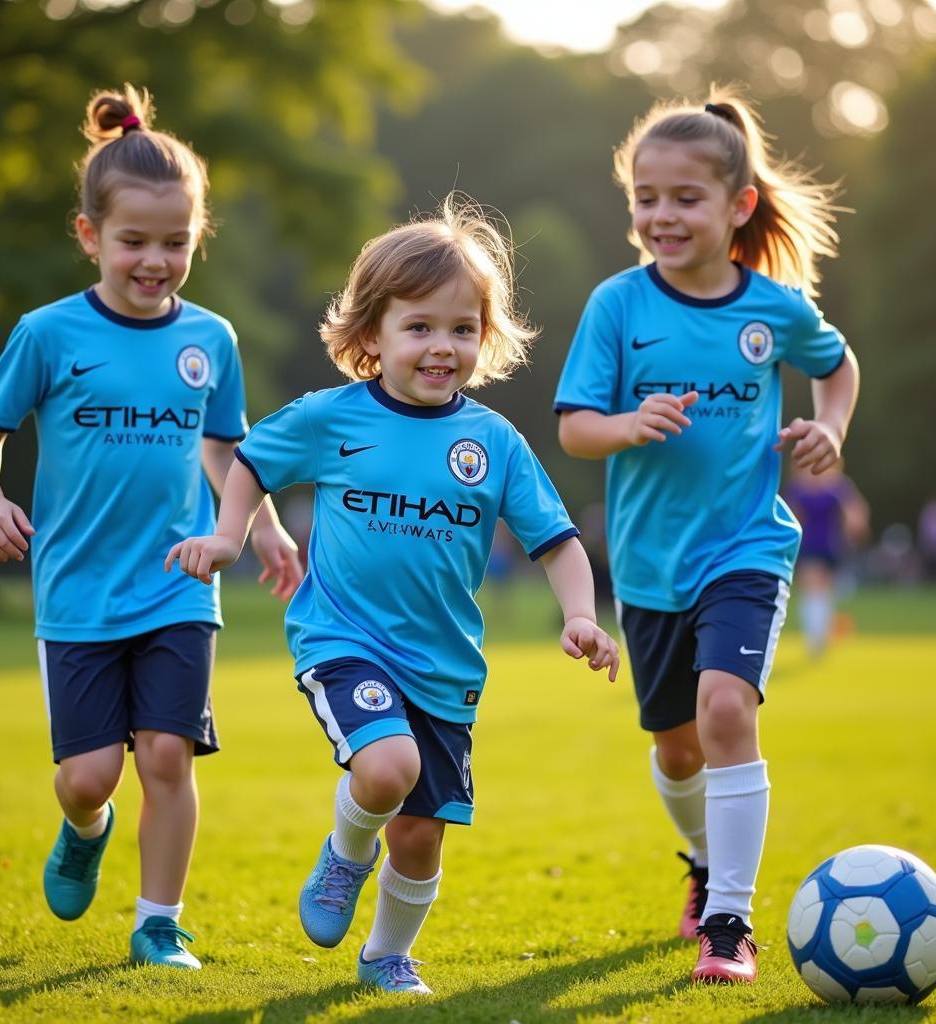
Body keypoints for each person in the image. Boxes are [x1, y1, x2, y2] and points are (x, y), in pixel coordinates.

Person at [166, 195, 620, 994]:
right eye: (419, 327)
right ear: (372, 335)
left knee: (419, 838)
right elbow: (249, 462)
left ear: (486, 335)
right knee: (386, 768)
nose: (442, 346)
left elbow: (557, 542)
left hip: (445, 669)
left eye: (462, 328)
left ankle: (386, 956)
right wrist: (233, 535)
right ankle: (344, 854)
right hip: (343, 640)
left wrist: (580, 615)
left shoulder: (494, 443)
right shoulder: (330, 419)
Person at [0, 85, 302, 970]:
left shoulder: (213, 340)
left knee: (165, 756)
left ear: (198, 237)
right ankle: (85, 828)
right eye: (135, 242)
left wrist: (257, 528)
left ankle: (159, 921)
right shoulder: (48, 333)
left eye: (176, 243)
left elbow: (228, 451)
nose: (156, 261)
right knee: (89, 777)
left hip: (179, 582)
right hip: (75, 587)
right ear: (90, 236)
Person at [554, 89, 859, 984]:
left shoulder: (773, 310)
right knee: (677, 745)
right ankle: (700, 864)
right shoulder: (618, 306)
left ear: (738, 207)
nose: (660, 215)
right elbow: (574, 427)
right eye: (645, 197)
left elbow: (835, 368)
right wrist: (628, 422)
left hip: (745, 548)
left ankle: (730, 921)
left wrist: (828, 427)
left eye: (684, 197)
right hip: (649, 568)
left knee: (729, 711)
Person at [781, 461, 870, 656]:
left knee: (823, 591)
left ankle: (819, 636)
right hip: (808, 546)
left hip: (831, 547)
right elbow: (790, 515)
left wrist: (853, 532)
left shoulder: (837, 486)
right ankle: (815, 639)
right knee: (813, 587)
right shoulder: (798, 488)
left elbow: (855, 513)